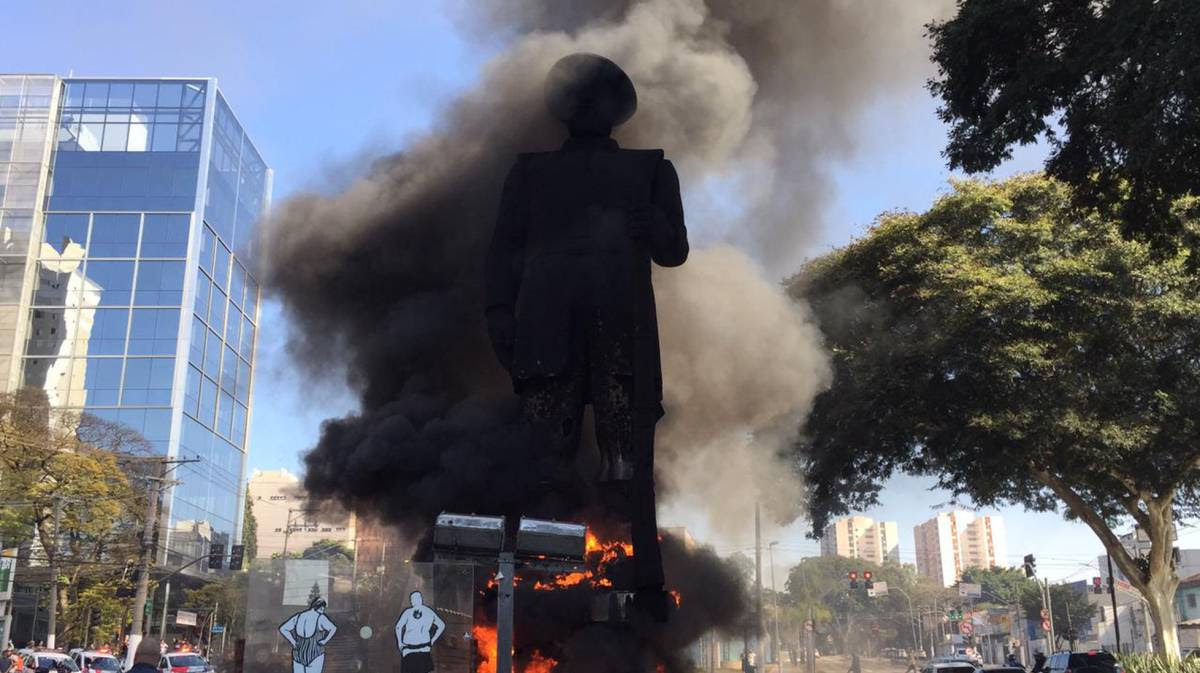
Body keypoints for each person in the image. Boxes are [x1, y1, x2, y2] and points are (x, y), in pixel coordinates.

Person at [486, 52, 689, 622]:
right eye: (577, 96)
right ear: (563, 108)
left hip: (623, 332)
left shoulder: (652, 170)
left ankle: (641, 587)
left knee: (628, 466)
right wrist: (499, 316)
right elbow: (502, 254)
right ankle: (535, 590)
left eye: (596, 96)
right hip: (548, 330)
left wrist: (655, 227)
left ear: (616, 108)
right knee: (545, 462)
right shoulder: (530, 172)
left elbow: (674, 251)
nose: (586, 106)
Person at [278, 597, 338, 673]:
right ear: (319, 607)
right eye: (323, 607)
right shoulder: (320, 618)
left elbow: (283, 628)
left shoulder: (298, 616)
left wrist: (293, 642)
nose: (323, 610)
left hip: (298, 653)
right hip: (315, 653)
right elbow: (333, 628)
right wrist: (324, 641)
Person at [394, 591, 445, 673]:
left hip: (420, 649)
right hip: (412, 649)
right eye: (412, 599)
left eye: (414, 599)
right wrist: (400, 644)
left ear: (420, 599)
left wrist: (432, 640)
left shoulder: (411, 612)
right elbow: (398, 627)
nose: (412, 601)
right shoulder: (427, 612)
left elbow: (442, 625)